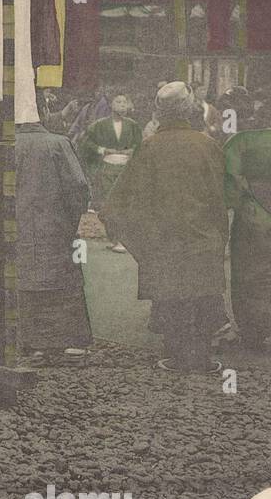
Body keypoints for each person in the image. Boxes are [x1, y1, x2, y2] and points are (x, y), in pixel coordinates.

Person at [104, 82, 228, 374]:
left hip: (164, 241)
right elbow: (221, 196)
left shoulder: (150, 147)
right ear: (189, 109)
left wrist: (135, 238)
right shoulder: (207, 145)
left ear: (159, 112)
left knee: (172, 299)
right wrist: (221, 235)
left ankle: (177, 358)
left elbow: (121, 199)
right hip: (203, 238)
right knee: (201, 299)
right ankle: (201, 359)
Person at [15, 120, 93, 363]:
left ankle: (33, 345)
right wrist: (72, 217)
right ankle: (71, 344)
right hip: (56, 225)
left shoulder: (8, 145)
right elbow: (79, 187)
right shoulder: (59, 143)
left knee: (26, 282)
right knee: (64, 282)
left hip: (20, 228)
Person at [225, 126, 271, 350]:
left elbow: (229, 179)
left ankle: (254, 333)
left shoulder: (242, 140)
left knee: (249, 274)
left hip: (253, 215)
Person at [80, 94, 143, 248]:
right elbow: (85, 142)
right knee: (107, 203)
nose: (122, 105)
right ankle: (114, 237)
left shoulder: (133, 125)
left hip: (126, 168)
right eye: (118, 102)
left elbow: (140, 144)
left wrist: (132, 151)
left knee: (124, 202)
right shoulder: (100, 124)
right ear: (111, 105)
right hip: (107, 167)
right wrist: (102, 150)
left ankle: (121, 240)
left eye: (125, 102)